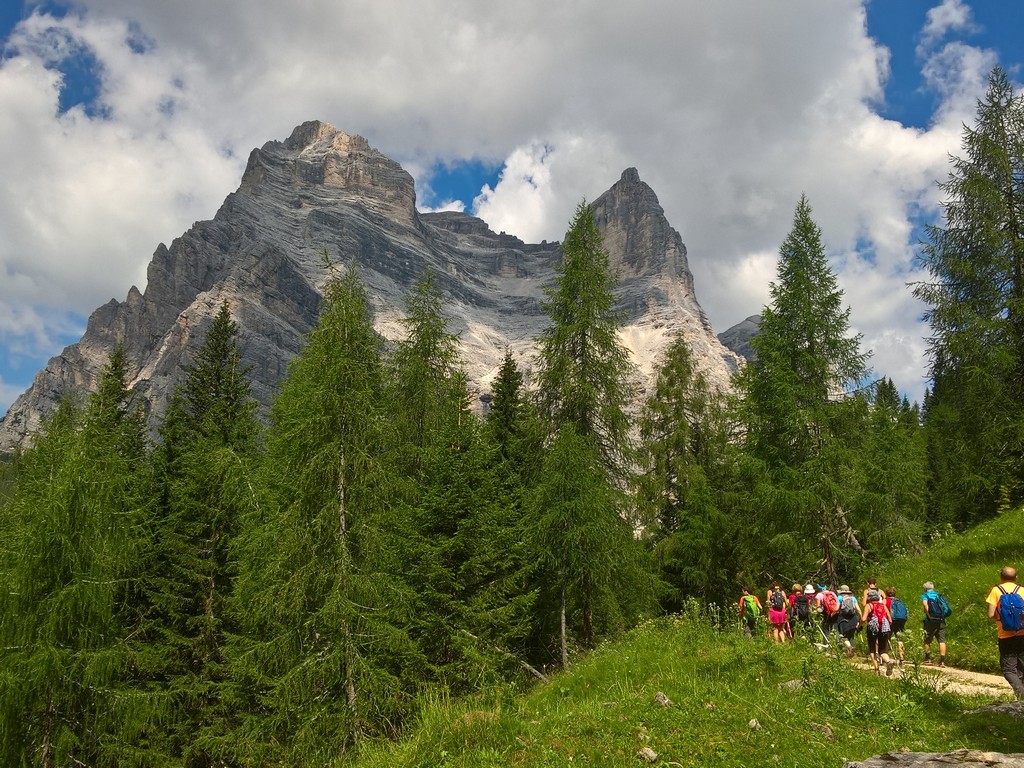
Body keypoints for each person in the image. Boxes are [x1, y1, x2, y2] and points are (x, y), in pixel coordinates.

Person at [985, 566, 1024, 699]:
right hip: (1023, 634)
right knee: (1022, 667)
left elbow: (990, 614)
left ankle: (1021, 695)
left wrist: (1003, 618)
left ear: (1001, 577)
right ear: (1016, 578)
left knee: (1009, 669)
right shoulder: (1022, 590)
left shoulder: (996, 590)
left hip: (1005, 635)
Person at [861, 591, 896, 676]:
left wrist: (859, 625)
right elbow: (890, 620)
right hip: (883, 629)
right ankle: (888, 662)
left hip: (872, 629)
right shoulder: (883, 605)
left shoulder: (868, 605)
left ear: (869, 598)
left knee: (872, 649)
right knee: (882, 650)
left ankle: (877, 670)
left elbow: (863, 619)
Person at [921, 580, 947, 667]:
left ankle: (928, 660)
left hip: (930, 621)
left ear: (925, 589)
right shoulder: (938, 595)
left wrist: (929, 615)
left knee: (927, 641)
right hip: (941, 620)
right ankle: (942, 662)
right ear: (933, 588)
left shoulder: (925, 595)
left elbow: (925, 605)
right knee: (942, 641)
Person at [885, 586, 907, 666]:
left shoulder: (885, 601)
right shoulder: (899, 601)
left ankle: (886, 657)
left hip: (890, 622)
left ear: (886, 593)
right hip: (900, 621)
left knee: (887, 638)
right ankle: (902, 658)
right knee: (900, 639)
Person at [836, 585, 860, 657]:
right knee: (851, 636)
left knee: (843, 635)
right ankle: (852, 653)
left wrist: (832, 614)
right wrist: (861, 618)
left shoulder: (840, 597)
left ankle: (849, 648)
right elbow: (858, 609)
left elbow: (836, 608)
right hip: (853, 618)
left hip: (843, 618)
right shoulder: (853, 598)